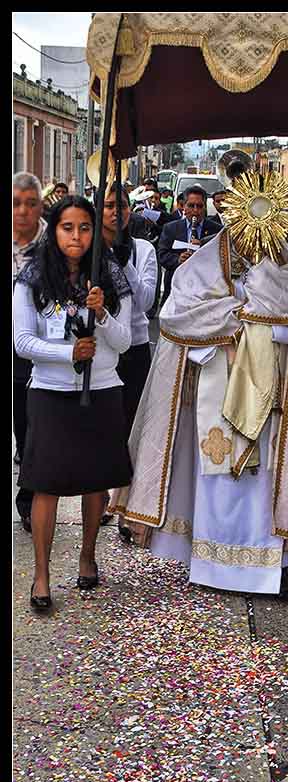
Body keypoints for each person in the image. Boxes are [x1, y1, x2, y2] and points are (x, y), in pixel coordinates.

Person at [111, 174, 288, 601]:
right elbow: (178, 319)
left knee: (264, 483)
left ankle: (272, 567)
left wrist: (260, 329)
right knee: (217, 479)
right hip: (215, 389)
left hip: (269, 397)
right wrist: (229, 331)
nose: (252, 239)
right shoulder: (202, 267)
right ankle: (209, 561)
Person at [13, 196, 133, 610]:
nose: (76, 236)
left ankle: (87, 555)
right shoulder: (33, 276)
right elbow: (22, 341)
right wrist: (68, 354)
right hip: (50, 393)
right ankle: (42, 576)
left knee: (95, 480)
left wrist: (103, 316)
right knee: (45, 483)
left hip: (102, 390)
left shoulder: (111, 277)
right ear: (54, 230)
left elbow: (124, 342)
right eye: (68, 227)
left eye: (85, 227)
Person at [101, 186, 158, 540]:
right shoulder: (91, 249)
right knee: (104, 428)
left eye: (121, 205)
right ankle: (101, 495)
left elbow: (147, 302)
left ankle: (126, 504)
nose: (115, 211)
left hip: (134, 348)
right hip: (102, 351)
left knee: (133, 428)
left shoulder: (144, 250)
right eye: (108, 205)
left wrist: (126, 265)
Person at [13, 172, 48, 532]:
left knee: (30, 429)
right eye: (15, 203)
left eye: (30, 203)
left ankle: (28, 500)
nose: (22, 211)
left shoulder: (51, 245)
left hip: (34, 349)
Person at [158, 185, 222, 304]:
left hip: (205, 291)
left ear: (205, 207)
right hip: (176, 291)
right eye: (191, 206)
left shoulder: (217, 230)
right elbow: (162, 255)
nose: (195, 211)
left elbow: (222, 259)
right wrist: (178, 259)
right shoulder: (171, 228)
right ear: (184, 207)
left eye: (199, 206)